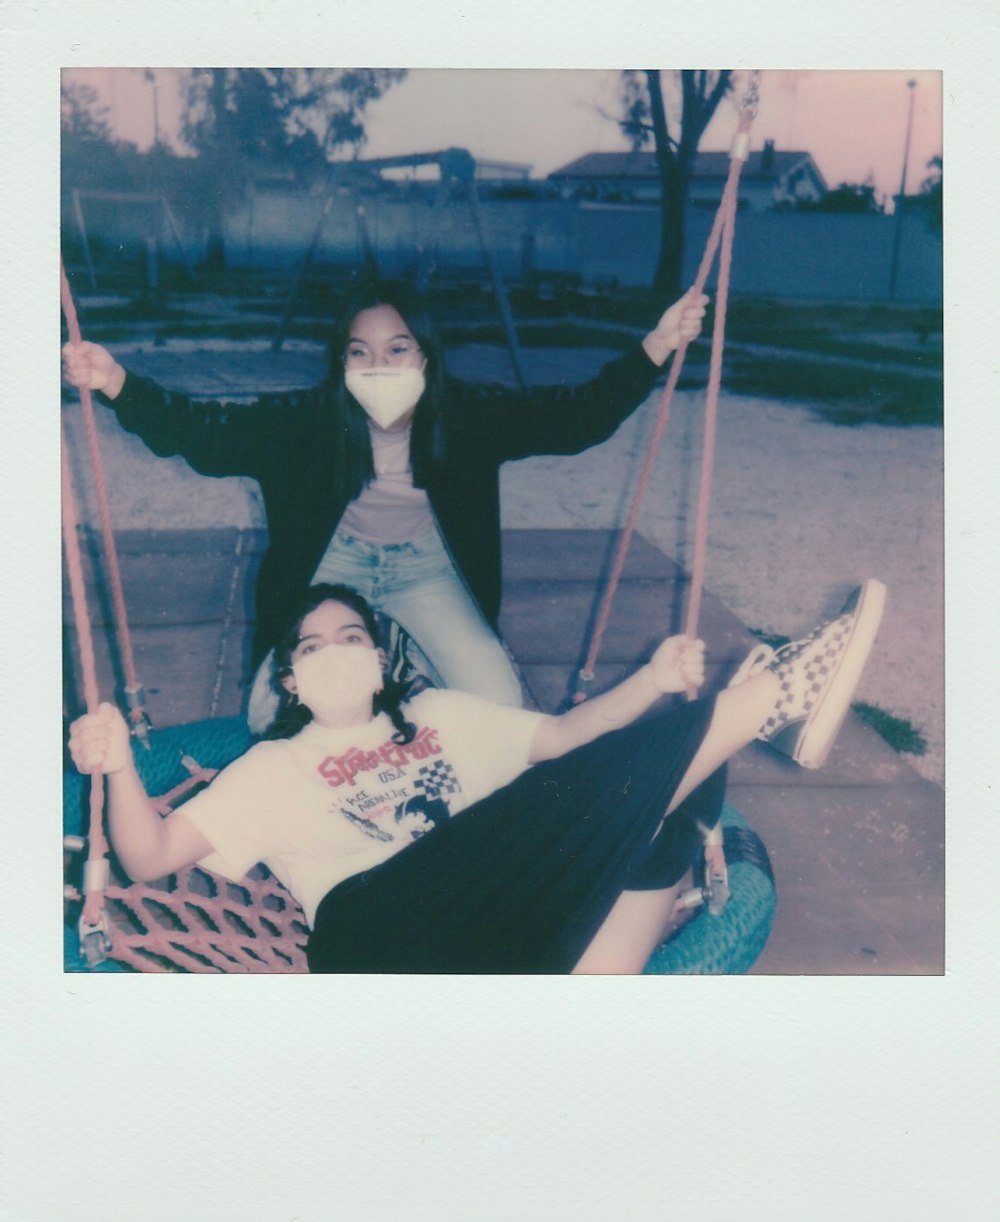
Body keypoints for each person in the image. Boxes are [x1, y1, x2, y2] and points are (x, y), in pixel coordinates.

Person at [68, 577, 887, 974]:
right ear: (287, 680)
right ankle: (777, 692)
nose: (333, 656)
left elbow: (569, 737)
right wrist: (117, 772)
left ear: (381, 661)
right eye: (310, 648)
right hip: (380, 933)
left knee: (682, 796)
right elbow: (148, 858)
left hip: (503, 923)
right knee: (582, 795)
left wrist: (653, 681)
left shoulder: (443, 718)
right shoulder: (271, 767)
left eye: (350, 637)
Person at [61, 279, 709, 729]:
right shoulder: (303, 423)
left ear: (425, 357)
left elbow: (575, 421)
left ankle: (406, 670)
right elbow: (202, 435)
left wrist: (655, 346)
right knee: (269, 718)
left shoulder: (468, 416)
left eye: (398, 350)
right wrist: (116, 381)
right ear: (340, 362)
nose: (380, 367)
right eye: (361, 353)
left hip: (426, 568)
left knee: (498, 703)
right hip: (332, 571)